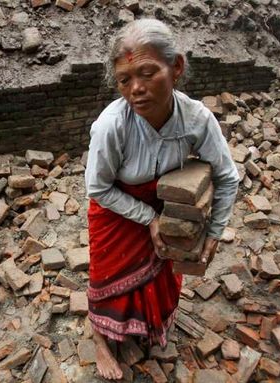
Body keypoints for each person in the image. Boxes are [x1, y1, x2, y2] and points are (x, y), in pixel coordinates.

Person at [84, 19, 241, 380]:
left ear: (177, 68)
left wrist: (213, 233)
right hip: (115, 207)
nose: (136, 89)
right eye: (125, 79)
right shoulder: (112, 125)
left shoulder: (196, 119)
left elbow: (226, 177)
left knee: (161, 274)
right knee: (106, 277)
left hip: (162, 204)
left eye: (148, 73)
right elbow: (98, 188)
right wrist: (147, 218)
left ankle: (146, 326)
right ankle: (100, 338)